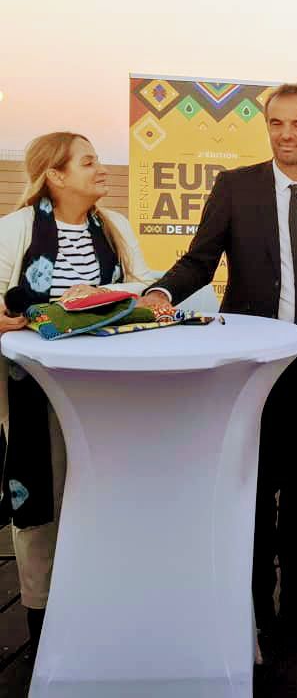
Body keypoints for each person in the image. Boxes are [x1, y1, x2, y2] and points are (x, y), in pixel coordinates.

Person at [138, 84, 297, 641]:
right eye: (276, 123)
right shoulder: (236, 188)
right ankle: (254, 603)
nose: (286, 134)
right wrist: (160, 293)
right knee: (258, 484)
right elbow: (199, 260)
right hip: (258, 360)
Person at [0, 132, 159, 653]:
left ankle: (102, 603)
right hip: (35, 388)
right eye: (88, 161)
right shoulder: (15, 229)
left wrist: (104, 295)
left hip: (106, 388)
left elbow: (142, 285)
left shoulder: (114, 226)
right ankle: (43, 619)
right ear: (55, 175)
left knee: (102, 491)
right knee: (40, 495)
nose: (101, 169)